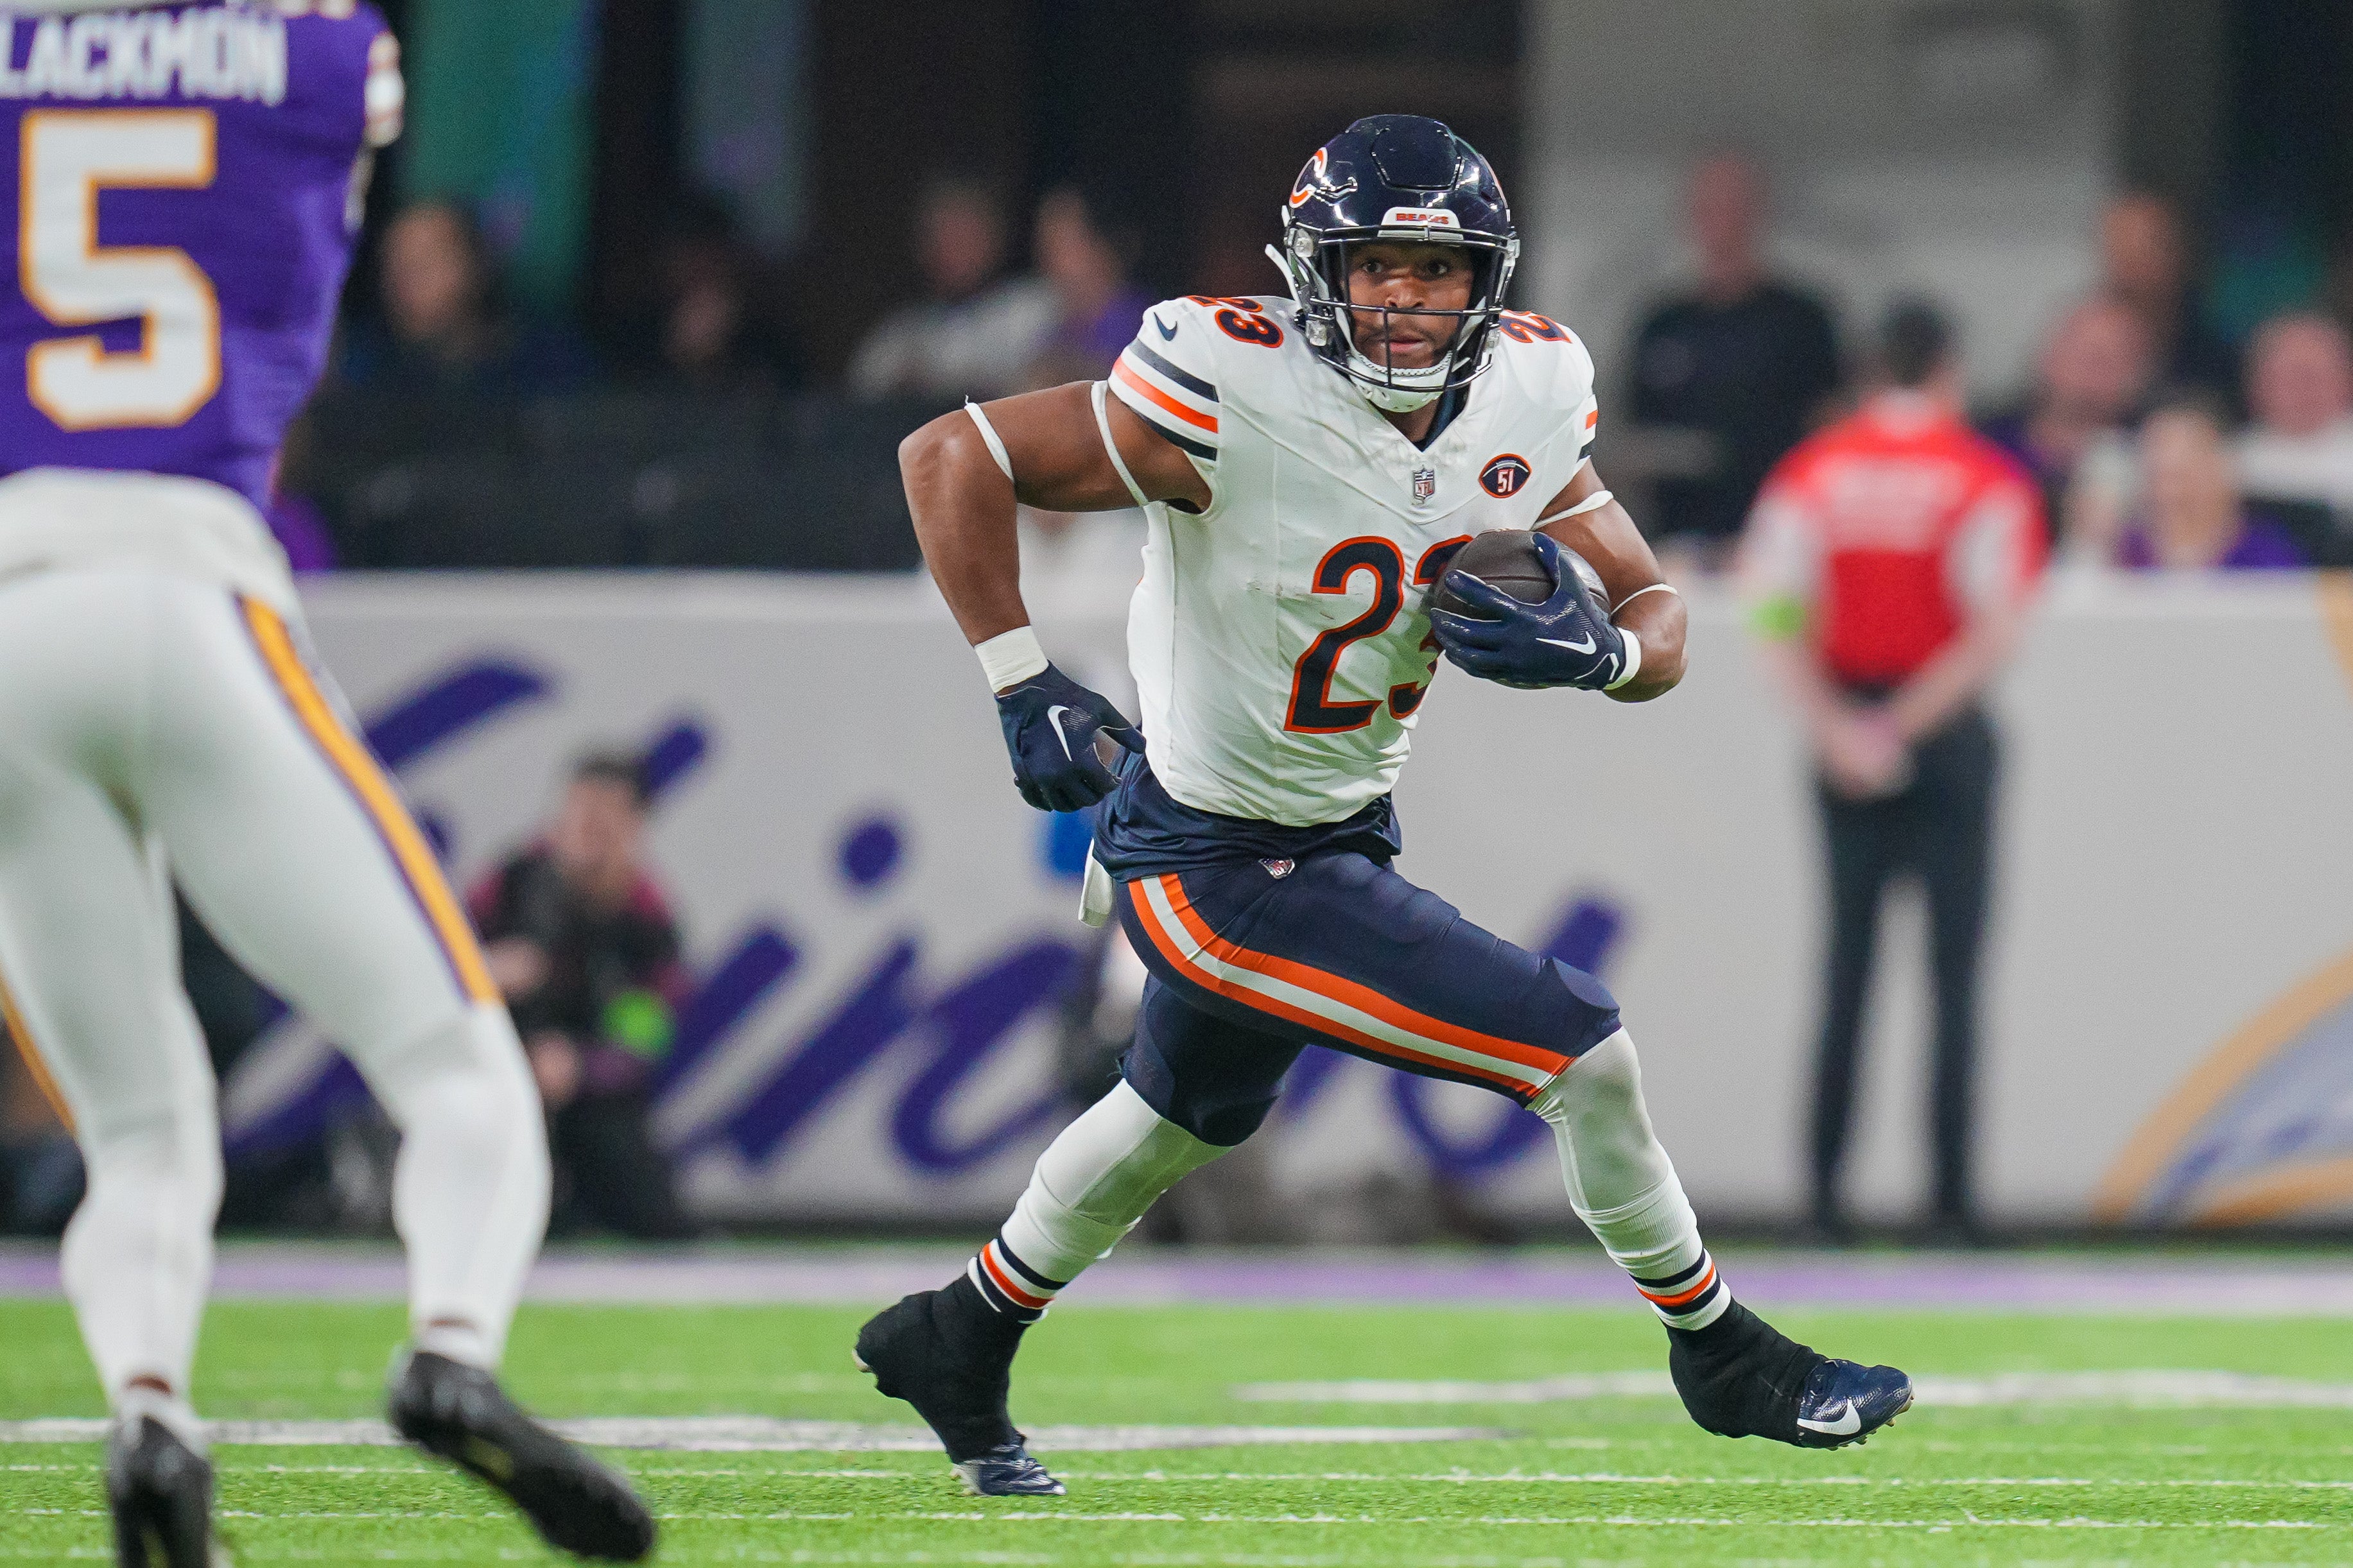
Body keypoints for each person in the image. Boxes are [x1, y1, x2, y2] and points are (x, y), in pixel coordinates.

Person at [867, 114, 1912, 1499]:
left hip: (1338, 826)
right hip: (1208, 854)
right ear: (1316, 272)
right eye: (1374, 268)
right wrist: (1015, 679)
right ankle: (1717, 1350)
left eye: (1435, 272)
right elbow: (950, 454)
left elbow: (1656, 608)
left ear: (1486, 279)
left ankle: (958, 1334)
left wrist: (1603, 653)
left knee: (1171, 1122)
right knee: (1578, 1051)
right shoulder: (1225, 379)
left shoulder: (1527, 394)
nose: (1405, 302)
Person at [0, 4, 653, 1562]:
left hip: (12, 607)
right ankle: (450, 1352)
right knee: (456, 1063)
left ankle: (151, 1412)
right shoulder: (325, 54)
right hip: (195, 581)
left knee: (142, 1129)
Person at [1739, 302, 2046, 1244]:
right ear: (1948, 371)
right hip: (1944, 732)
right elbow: (1995, 626)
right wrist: (1903, 725)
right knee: (1954, 974)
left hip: (1843, 716)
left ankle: (1823, 1198)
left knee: (1846, 967)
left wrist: (1839, 725)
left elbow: (1770, 608)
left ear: (1872, 372)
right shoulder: (1981, 477)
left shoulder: (1813, 474)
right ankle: (1950, 1202)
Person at [471, 754, 696, 1241]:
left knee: (658, 1217)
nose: (586, 836)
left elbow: (642, 1042)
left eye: (604, 823)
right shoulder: (510, 884)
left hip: (592, 1105)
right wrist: (484, 974)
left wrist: (580, 1065)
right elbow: (436, 971)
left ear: (635, 827)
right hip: (497, 1085)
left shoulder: (648, 922)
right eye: (578, 817)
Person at [1625, 155, 1841, 569]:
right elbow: (1637, 436)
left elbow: (1830, 430)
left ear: (1758, 212)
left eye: (1733, 205)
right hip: (1678, 544)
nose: (1722, 220)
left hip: (1779, 540)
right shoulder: (1662, 323)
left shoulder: (1802, 320)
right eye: (1710, 207)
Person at [336, 199, 594, 397]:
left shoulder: (549, 365)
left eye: (429, 261)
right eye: (394, 264)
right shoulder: (366, 369)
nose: (406, 279)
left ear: (478, 266)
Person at [848, 174, 1057, 401]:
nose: (956, 246)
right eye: (944, 234)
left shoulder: (1034, 308)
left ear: (995, 239)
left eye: (968, 233)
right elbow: (862, 398)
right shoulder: (901, 334)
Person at [1977, 297, 2155, 546]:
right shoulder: (1985, 444)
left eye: (2108, 359)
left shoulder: (2149, 459)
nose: (2089, 368)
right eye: (2078, 349)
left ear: (2137, 378)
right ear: (2047, 353)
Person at [2118, 393, 2308, 571]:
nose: (2172, 494)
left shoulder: (2270, 559)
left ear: (2226, 468)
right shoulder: (2122, 554)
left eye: (2184, 475)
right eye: (2161, 476)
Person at [2098, 193, 2239, 401]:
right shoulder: (2079, 353)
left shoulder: (2216, 359)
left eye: (2145, 249)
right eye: (2120, 250)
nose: (2130, 266)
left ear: (2179, 254)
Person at [2235, 313, 2353, 555]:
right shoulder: (2229, 463)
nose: (2303, 390)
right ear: (2258, 384)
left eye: (2314, 377)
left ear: (2346, 380)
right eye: (2289, 377)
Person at [1023, 184, 1156, 388]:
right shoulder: (1056, 326)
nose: (1049, 259)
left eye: (1064, 244)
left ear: (1102, 245)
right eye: (1045, 244)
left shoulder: (1145, 325)